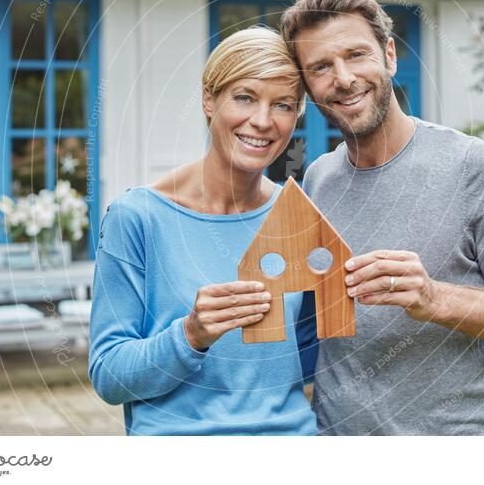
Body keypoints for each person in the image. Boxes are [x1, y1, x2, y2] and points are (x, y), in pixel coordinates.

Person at [280, 0, 484, 435]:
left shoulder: (474, 166)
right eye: (321, 67)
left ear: (389, 56)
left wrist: (433, 298)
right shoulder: (318, 178)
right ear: (308, 87)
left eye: (356, 54)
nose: (343, 78)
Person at [88, 27, 318, 436]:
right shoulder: (137, 217)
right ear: (209, 99)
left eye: (282, 105)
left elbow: (310, 354)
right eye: (244, 97)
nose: (262, 121)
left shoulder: (298, 214)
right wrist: (190, 335)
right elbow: (109, 377)